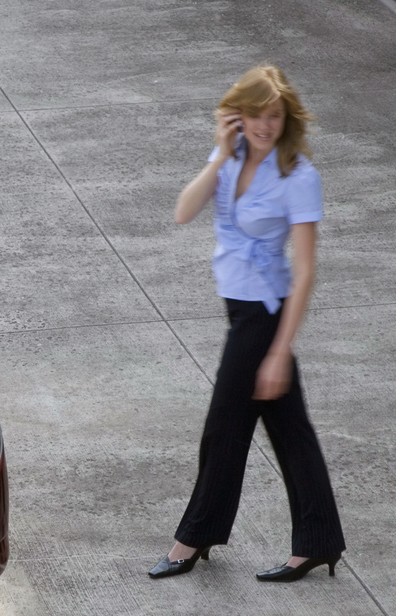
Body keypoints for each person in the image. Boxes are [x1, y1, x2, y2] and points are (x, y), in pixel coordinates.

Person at [149, 64, 345, 582]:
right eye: (255, 114)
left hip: (264, 313)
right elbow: (183, 212)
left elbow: (305, 272)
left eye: (274, 115)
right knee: (290, 430)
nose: (265, 125)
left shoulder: (298, 176)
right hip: (239, 307)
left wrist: (279, 351)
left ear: (287, 119)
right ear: (238, 115)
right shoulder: (231, 157)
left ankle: (192, 538)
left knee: (224, 427)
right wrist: (219, 153)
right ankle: (319, 541)